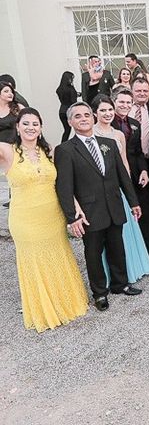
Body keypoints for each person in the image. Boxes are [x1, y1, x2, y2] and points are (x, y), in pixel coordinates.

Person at [0, 108, 87, 332]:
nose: (30, 128)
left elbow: (63, 185)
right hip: (25, 220)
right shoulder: (6, 150)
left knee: (57, 256)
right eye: (25, 123)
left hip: (53, 216)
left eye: (35, 124)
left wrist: (76, 208)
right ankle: (43, 309)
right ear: (17, 127)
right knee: (35, 261)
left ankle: (64, 304)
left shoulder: (50, 150)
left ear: (41, 128)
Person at [55, 102, 142, 312]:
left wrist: (133, 202)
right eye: (78, 116)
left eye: (86, 114)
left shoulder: (109, 144)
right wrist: (71, 217)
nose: (84, 119)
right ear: (70, 122)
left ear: (93, 118)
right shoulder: (65, 150)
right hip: (89, 211)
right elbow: (64, 187)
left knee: (117, 247)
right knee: (93, 253)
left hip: (114, 205)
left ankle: (120, 284)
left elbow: (122, 176)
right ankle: (99, 293)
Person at [92, 95, 149, 284]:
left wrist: (127, 190)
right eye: (103, 110)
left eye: (110, 110)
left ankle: (131, 267)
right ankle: (109, 274)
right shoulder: (90, 133)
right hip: (98, 190)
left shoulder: (118, 135)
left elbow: (124, 162)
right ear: (95, 112)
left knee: (126, 228)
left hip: (118, 188)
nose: (108, 113)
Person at [129, 78, 149, 260]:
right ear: (132, 91)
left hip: (147, 163)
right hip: (129, 165)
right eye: (138, 90)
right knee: (134, 207)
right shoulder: (124, 111)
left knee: (148, 206)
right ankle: (135, 249)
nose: (141, 93)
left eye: (144, 91)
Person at [56, 71, 78, 142]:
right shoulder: (71, 88)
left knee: (66, 130)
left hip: (62, 111)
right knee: (78, 129)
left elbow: (65, 97)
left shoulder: (59, 89)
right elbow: (73, 101)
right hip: (70, 111)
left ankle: (63, 144)